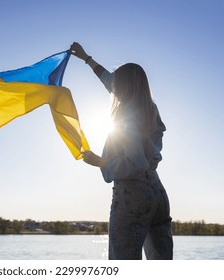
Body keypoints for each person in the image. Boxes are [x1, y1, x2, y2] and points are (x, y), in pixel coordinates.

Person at [70, 42, 173, 260]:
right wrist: (86, 58)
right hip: (157, 192)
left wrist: (100, 162)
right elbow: (108, 80)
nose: (113, 86)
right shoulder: (150, 109)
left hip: (132, 194)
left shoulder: (126, 115)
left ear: (124, 87)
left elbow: (135, 164)